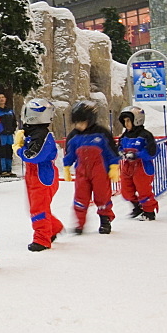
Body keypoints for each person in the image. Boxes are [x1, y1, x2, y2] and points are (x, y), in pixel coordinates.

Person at [63, 100, 120, 235]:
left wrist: (113, 166)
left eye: (81, 122)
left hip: (100, 171)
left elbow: (111, 151)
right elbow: (70, 152)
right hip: (82, 171)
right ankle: (79, 223)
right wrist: (66, 165)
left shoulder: (102, 133)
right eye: (76, 122)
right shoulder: (73, 136)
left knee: (102, 196)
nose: (79, 125)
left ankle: (105, 220)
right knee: (80, 197)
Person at [16, 98, 63, 251]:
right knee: (36, 206)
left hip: (42, 176)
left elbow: (33, 155)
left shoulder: (42, 135)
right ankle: (53, 227)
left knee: (39, 208)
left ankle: (42, 239)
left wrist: (18, 149)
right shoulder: (35, 133)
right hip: (34, 174)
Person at [117, 106, 158, 221]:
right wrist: (119, 152)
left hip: (142, 166)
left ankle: (149, 212)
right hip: (128, 166)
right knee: (126, 190)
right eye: (124, 121)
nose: (126, 124)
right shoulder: (124, 136)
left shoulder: (145, 135)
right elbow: (119, 147)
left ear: (137, 120)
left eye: (128, 120)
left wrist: (137, 155)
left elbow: (152, 151)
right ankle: (137, 206)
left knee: (143, 189)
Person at [0, 93, 19, 178]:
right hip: (1, 135)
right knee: (2, 152)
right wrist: (0, 130)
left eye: (3, 97)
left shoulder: (10, 110)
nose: (1, 99)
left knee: (9, 152)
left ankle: (9, 170)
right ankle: (3, 170)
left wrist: (13, 129)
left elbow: (14, 121)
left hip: (10, 134)